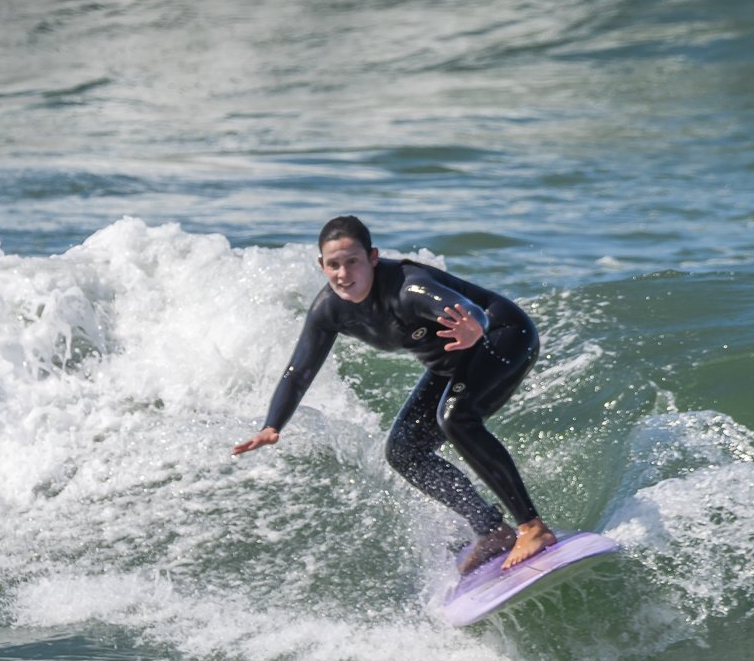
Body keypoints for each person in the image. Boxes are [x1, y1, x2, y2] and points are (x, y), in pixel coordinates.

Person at [233, 215, 555, 573]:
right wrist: (272, 424)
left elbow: (472, 310)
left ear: (372, 257)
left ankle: (533, 527)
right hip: (453, 359)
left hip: (503, 336)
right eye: (333, 264)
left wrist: (473, 327)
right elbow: (299, 371)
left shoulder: (408, 288)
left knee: (456, 419)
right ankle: (492, 529)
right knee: (403, 451)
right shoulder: (329, 310)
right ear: (321, 266)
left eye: (352, 261)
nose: (343, 273)